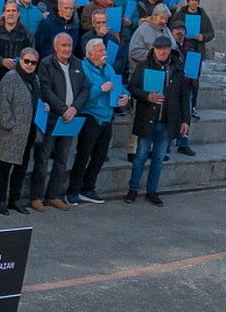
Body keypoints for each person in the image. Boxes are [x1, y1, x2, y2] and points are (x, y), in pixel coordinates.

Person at [124, 35, 191, 206]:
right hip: (147, 119)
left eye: (165, 48)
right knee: (140, 157)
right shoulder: (144, 65)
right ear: (153, 49)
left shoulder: (177, 68)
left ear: (170, 50)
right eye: (159, 48)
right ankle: (133, 189)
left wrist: (186, 120)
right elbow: (132, 87)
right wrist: (148, 96)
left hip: (167, 121)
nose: (162, 51)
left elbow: (184, 96)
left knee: (159, 158)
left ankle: (152, 191)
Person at [29, 32, 87, 212]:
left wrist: (74, 109)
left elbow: (85, 89)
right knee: (43, 157)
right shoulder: (46, 64)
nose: (67, 49)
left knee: (62, 159)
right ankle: (36, 196)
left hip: (70, 118)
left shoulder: (78, 64)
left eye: (69, 45)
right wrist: (63, 109)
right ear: (55, 47)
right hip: (52, 118)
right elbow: (45, 89)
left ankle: (54, 195)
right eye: (63, 45)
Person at [67, 37, 128, 206]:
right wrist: (101, 88)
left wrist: (125, 96)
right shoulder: (83, 68)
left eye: (104, 50)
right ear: (91, 53)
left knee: (100, 156)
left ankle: (89, 188)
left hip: (107, 117)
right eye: (101, 50)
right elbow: (82, 94)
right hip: (90, 116)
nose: (104, 53)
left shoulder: (108, 68)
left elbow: (120, 87)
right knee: (83, 155)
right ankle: (73, 190)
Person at [0, 48, 42, 215]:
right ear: (20, 60)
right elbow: (2, 104)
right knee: (4, 169)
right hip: (10, 133)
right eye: (26, 61)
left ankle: (15, 199)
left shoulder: (35, 79)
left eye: (33, 62)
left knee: (21, 168)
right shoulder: (11, 77)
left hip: (28, 132)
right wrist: (10, 125)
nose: (29, 65)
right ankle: (1, 201)